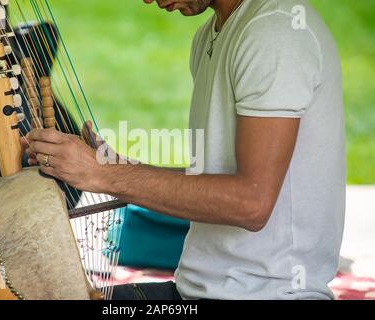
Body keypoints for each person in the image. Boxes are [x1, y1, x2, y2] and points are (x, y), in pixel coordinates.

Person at [23, 0, 345, 300]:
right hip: (199, 292)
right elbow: (214, 180)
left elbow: (251, 203)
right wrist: (112, 165)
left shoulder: (276, 31)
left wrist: (104, 174)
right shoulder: (211, 34)